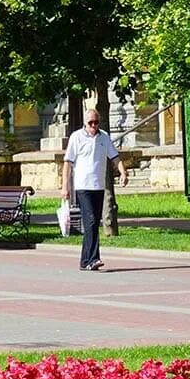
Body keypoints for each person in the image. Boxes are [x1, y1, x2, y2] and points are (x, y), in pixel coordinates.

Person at [62, 108, 128, 271]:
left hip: (98, 186)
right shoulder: (76, 137)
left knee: (93, 223)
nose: (93, 125)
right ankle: (93, 258)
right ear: (85, 123)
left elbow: (115, 157)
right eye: (90, 122)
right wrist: (65, 186)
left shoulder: (104, 137)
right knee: (90, 221)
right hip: (83, 186)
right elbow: (68, 163)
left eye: (96, 122)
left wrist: (123, 172)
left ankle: (85, 261)